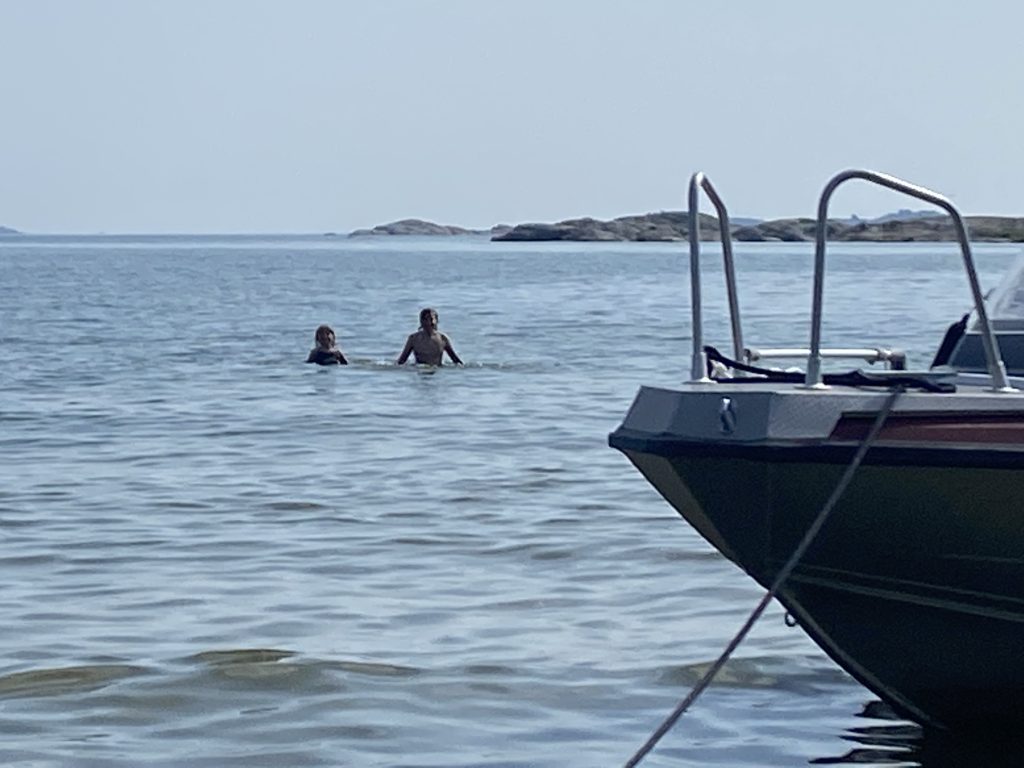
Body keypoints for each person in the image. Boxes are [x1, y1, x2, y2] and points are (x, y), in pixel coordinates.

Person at [396, 307, 463, 366]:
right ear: (421, 321)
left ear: (436, 321)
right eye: (426, 319)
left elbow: (456, 361)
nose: (429, 322)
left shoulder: (442, 339)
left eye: (431, 319)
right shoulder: (413, 339)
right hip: (420, 371)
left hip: (437, 372)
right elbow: (402, 361)